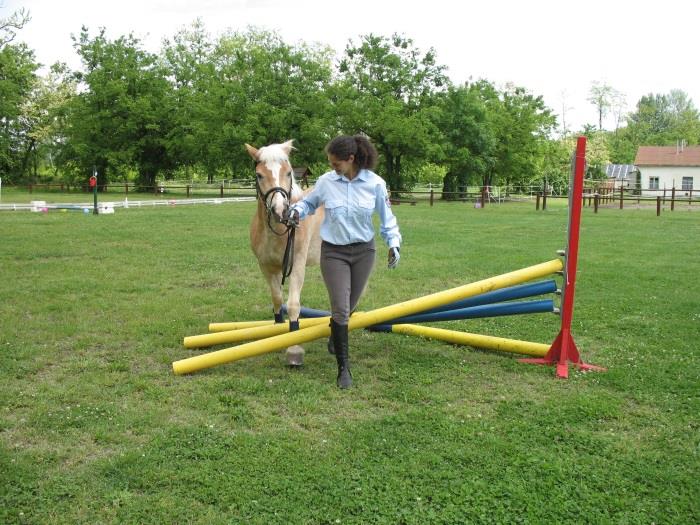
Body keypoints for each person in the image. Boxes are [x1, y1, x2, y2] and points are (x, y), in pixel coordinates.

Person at [284, 135, 402, 389]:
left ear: (351, 159)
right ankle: (343, 368)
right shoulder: (326, 182)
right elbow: (308, 203)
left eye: (336, 163)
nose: (332, 166)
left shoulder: (375, 184)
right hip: (334, 252)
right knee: (340, 308)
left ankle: (335, 332)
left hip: (364, 253)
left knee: (349, 306)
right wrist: (296, 211)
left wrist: (393, 243)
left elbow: (387, 216)